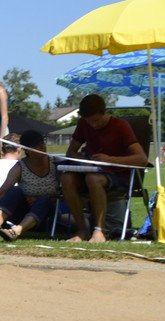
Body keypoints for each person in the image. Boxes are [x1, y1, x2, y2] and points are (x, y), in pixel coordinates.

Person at [59, 94, 146, 243]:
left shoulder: (121, 126)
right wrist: (84, 161)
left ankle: (100, 231)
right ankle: (82, 230)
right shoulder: (83, 124)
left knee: (93, 179)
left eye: (97, 120)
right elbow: (71, 152)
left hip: (118, 175)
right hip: (91, 170)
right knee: (67, 178)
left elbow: (142, 159)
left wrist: (110, 160)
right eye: (89, 121)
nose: (93, 125)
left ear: (104, 112)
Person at [0, 131, 60, 241]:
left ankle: (16, 231)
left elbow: (64, 192)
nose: (42, 147)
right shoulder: (19, 167)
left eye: (42, 143)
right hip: (23, 210)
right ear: (27, 150)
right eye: (36, 145)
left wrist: (39, 199)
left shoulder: (55, 164)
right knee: (14, 191)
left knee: (44, 200)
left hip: (48, 211)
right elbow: (2, 191)